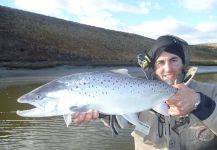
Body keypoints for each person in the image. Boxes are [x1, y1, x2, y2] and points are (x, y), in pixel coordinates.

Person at [72, 35, 217, 150]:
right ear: (153, 67)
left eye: (174, 60)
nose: (168, 69)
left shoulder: (212, 91)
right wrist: (102, 112)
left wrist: (200, 103)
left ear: (183, 63)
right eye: (161, 62)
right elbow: (118, 123)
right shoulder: (134, 91)